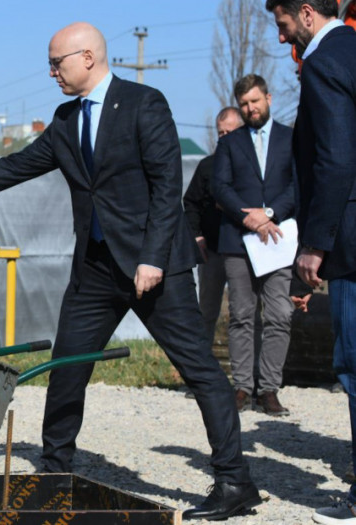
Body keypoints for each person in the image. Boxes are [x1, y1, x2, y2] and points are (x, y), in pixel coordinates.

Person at [0, 22, 260, 521]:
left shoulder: (143, 103)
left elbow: (165, 183)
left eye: (57, 62)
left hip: (158, 268)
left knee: (199, 371)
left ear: (87, 57)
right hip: (95, 271)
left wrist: (153, 257)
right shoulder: (66, 120)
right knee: (68, 371)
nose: (51, 72)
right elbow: (13, 167)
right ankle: (53, 470)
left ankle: (235, 483)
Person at [266, 1, 356, 523]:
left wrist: (316, 244)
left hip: (350, 236)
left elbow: (338, 157)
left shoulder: (323, 61)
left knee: (355, 365)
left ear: (305, 12)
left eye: (282, 26)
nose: (282, 40)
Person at [210, 74, 297, 417]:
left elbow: (299, 185)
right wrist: (248, 219)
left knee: (279, 315)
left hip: (278, 238)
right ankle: (243, 386)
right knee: (242, 315)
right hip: (238, 239)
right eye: (244, 104)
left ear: (269, 99)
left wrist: (270, 214)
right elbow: (220, 186)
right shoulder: (230, 144)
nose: (250, 109)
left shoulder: (291, 139)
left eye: (255, 102)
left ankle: (270, 389)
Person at [182, 107, 244, 361]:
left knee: (245, 315)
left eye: (230, 131)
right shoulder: (208, 166)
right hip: (213, 252)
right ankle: (201, 373)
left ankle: (250, 379)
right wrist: (197, 236)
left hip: (244, 252)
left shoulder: (250, 168)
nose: (225, 137)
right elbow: (191, 203)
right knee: (206, 312)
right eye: (221, 133)